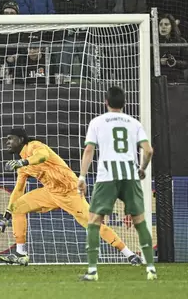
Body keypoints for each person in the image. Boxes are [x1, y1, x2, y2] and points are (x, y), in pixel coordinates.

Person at [0, 127, 141, 267]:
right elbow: (18, 189)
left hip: (70, 192)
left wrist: (23, 162)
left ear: (21, 139)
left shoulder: (34, 146)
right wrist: (6, 216)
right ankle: (21, 254)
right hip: (51, 192)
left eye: (10, 139)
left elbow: (43, 156)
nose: (7, 142)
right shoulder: (20, 165)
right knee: (17, 207)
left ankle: (129, 254)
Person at [78, 86, 156, 281]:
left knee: (94, 221)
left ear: (106, 102)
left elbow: (89, 150)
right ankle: (151, 269)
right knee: (140, 221)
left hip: (107, 177)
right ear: (124, 103)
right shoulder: (134, 123)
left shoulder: (97, 122)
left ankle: (93, 271)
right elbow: (148, 150)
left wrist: (81, 176)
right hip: (130, 175)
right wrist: (142, 168)